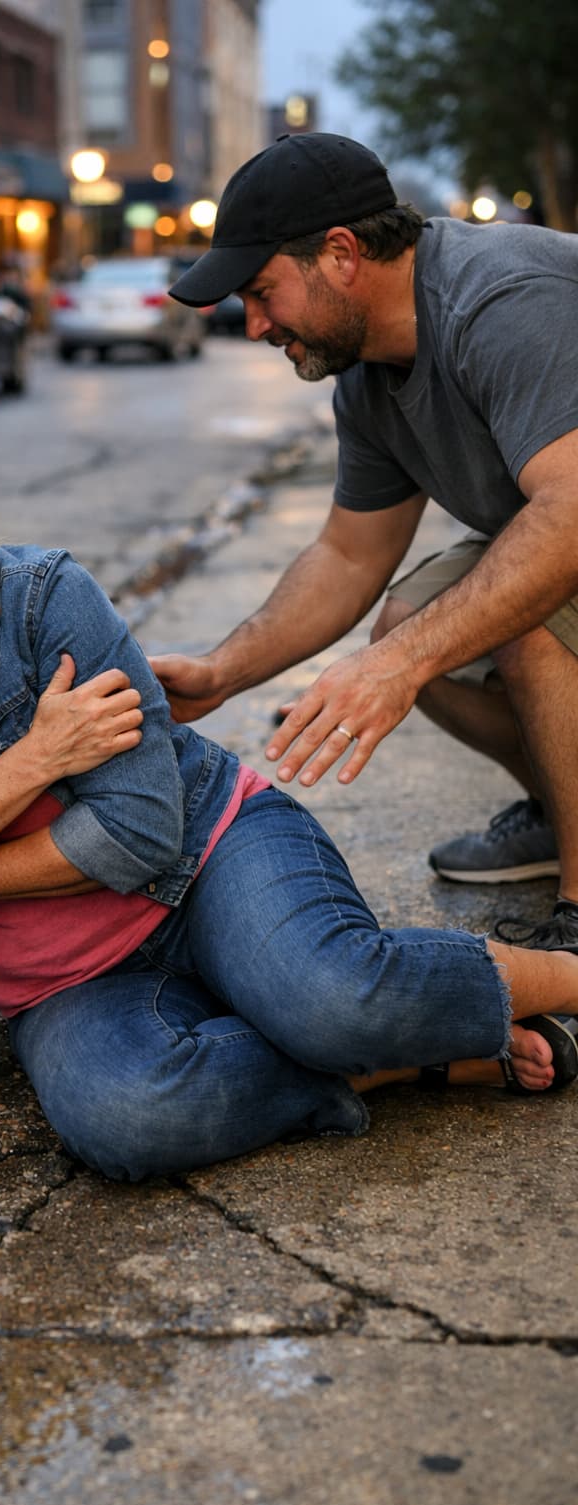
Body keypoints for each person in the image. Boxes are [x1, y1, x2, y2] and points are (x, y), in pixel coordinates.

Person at [0, 431, 578, 1183]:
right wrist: (32, 763)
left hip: (207, 857)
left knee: (335, 1000)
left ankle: (557, 983)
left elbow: (136, 831)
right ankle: (396, 1058)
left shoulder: (43, 600)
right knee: (128, 1120)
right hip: (58, 982)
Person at [159, 131, 578, 958]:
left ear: (341, 254)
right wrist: (221, 672)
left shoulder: (500, 303)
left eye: (261, 291)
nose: (252, 325)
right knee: (409, 620)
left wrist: (398, 668)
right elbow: (349, 556)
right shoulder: (368, 375)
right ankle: (561, 812)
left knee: (510, 614)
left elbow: (568, 515)